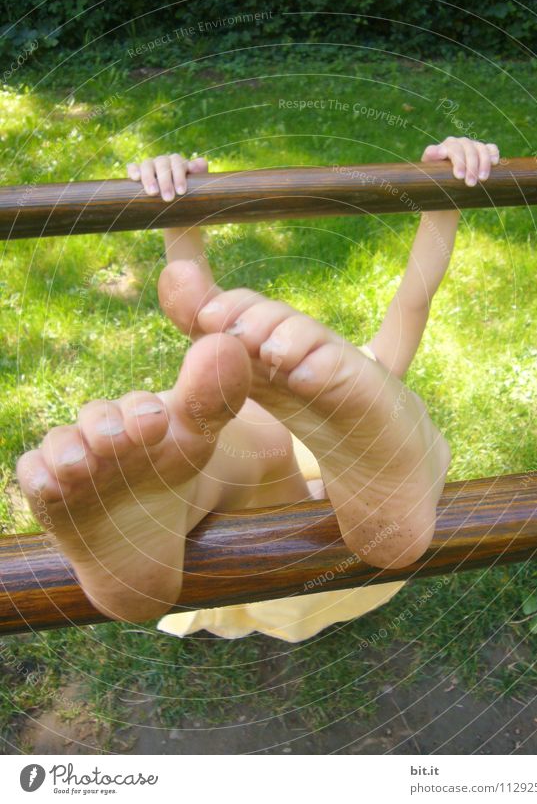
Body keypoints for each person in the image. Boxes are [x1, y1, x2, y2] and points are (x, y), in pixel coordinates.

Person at [16, 137, 499, 641]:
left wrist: (175, 205)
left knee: (237, 428)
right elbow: (413, 300)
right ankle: (166, 501)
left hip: (264, 561)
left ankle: (163, 506)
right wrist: (446, 195)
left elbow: (199, 305)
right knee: (254, 423)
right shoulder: (329, 376)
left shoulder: (287, 385)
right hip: (327, 558)